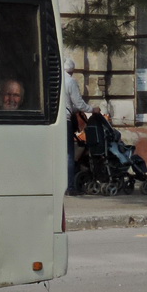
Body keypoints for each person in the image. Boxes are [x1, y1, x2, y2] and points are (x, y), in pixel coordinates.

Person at [64, 58, 100, 195]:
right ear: (72, 71)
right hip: (66, 120)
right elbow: (79, 104)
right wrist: (92, 109)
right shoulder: (71, 82)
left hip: (54, 120)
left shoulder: (54, 80)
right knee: (69, 154)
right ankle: (70, 187)